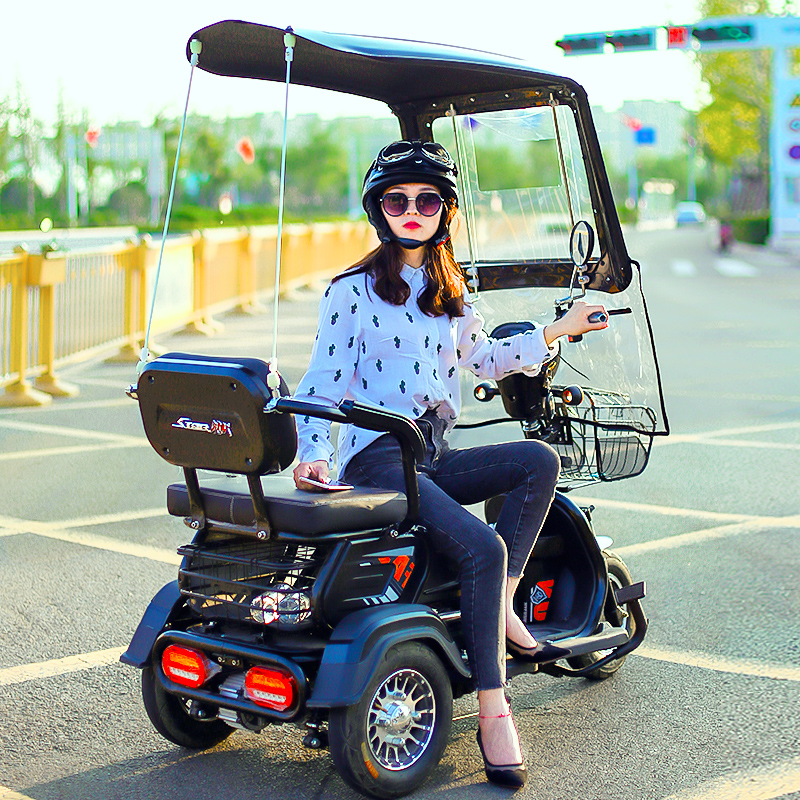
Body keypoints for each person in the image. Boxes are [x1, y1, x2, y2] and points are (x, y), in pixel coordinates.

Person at [292, 140, 607, 788]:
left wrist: (558, 330)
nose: (412, 210)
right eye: (396, 199)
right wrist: (314, 455)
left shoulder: (448, 293)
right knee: (483, 550)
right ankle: (495, 709)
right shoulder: (351, 291)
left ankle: (502, 609)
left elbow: (486, 359)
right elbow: (322, 380)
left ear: (446, 212)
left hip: (429, 453)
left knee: (535, 462)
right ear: (379, 209)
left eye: (426, 199)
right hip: (378, 455)